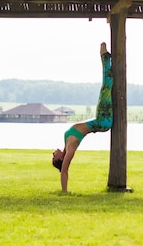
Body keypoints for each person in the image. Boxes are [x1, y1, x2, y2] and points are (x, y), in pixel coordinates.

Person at [52, 42, 113, 192]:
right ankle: (105, 58)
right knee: (105, 89)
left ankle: (108, 62)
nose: (53, 153)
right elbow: (64, 171)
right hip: (102, 122)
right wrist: (64, 191)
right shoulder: (70, 147)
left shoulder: (67, 144)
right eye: (54, 157)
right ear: (60, 159)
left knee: (107, 90)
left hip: (100, 121)